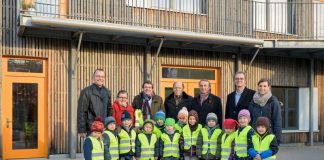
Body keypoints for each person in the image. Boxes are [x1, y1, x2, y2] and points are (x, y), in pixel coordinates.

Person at [77, 69, 112, 137]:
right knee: (93, 147)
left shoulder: (107, 92)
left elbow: (109, 109)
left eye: (102, 76)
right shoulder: (86, 92)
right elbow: (81, 111)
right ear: (93, 77)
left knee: (103, 147)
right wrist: (82, 129)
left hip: (104, 128)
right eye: (98, 76)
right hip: (91, 128)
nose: (100, 78)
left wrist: (109, 124)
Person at [249, 78, 282, 145]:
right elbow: (250, 120)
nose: (262, 88)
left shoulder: (273, 101)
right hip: (255, 135)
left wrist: (277, 138)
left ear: (269, 87)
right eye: (260, 86)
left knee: (267, 155)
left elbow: (277, 120)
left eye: (265, 86)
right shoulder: (252, 102)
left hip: (269, 135)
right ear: (257, 87)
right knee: (255, 155)